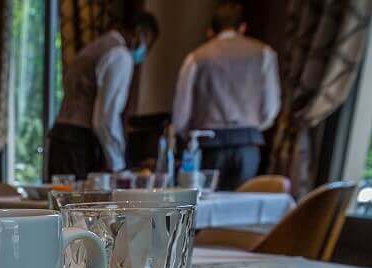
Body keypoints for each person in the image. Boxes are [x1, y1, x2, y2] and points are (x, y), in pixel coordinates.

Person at [170, 2, 280, 190]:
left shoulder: (196, 58)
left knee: (206, 204)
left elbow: (180, 116)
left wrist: (187, 138)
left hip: (209, 145)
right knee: (241, 208)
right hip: (248, 143)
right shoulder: (264, 54)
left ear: (210, 31)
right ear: (242, 28)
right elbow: (270, 109)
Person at [47, 12, 160, 179]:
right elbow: (105, 118)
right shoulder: (120, 55)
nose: (145, 52)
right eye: (149, 43)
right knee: (79, 204)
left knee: (59, 201)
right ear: (140, 33)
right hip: (80, 144)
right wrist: (118, 165)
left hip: (60, 137)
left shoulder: (95, 47)